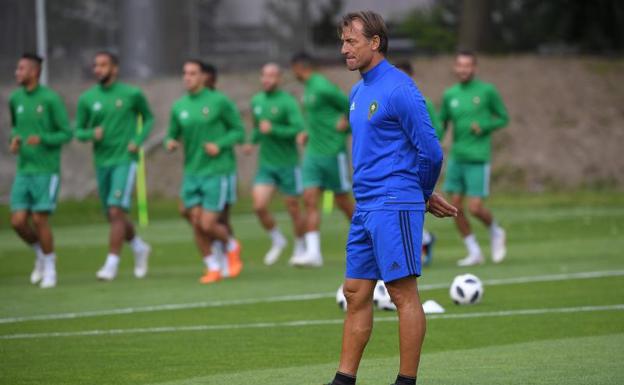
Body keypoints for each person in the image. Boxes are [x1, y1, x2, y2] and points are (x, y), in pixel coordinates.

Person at [327, 11, 457, 385]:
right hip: (365, 205)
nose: (344, 49)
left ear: (375, 42)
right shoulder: (358, 90)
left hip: (394, 201)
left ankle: (406, 381)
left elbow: (430, 152)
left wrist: (420, 193)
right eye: (342, 42)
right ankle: (344, 379)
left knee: (401, 292)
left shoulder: (400, 89)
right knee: (355, 292)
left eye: (351, 41)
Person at [75, 51, 153, 281]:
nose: (98, 69)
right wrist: (91, 133)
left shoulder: (131, 94)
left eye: (103, 65)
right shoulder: (87, 99)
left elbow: (149, 118)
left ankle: (111, 263)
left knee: (116, 210)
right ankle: (139, 246)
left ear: (115, 68)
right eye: (96, 65)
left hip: (124, 160)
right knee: (113, 215)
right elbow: (78, 131)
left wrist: (137, 141)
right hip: (102, 162)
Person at [164, 59, 244, 284]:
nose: (187, 77)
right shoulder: (179, 106)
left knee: (207, 223)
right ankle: (212, 266)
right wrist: (170, 143)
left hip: (216, 171)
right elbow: (171, 134)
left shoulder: (219, 102)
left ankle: (231, 245)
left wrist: (219, 144)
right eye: (185, 73)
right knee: (190, 216)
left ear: (203, 77)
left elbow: (238, 131)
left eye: (192, 73)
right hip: (192, 172)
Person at [439, 51, 509, 266]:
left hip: (478, 157)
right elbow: (442, 124)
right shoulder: (450, 95)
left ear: (474, 68)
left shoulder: (487, 91)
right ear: (455, 67)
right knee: (455, 208)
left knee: (475, 208)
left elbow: (503, 118)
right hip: (457, 157)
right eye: (460, 65)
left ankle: (496, 231)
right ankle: (474, 251)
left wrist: (485, 126)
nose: (463, 69)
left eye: (467, 65)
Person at [8, 53, 72, 289]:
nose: (17, 73)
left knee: (39, 218)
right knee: (17, 222)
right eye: (17, 68)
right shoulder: (15, 99)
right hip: (24, 170)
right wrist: (13, 140)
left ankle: (51, 269)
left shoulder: (51, 99)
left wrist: (43, 138)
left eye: (21, 68)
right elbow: (16, 127)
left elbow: (66, 132)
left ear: (34, 72)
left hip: (46, 170)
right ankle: (41, 253)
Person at [290, 52, 354, 267]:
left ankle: (371, 241)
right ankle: (313, 253)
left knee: (343, 202)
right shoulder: (307, 90)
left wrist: (346, 121)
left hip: (332, 151)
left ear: (300, 67)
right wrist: (306, 131)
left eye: (293, 69)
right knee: (309, 198)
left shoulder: (322, 86)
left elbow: (350, 105)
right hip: (313, 153)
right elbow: (315, 117)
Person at [243, 63, 306, 265]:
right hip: (267, 165)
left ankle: (300, 245)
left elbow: (298, 129)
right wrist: (251, 142)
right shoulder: (257, 101)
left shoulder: (288, 102)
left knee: (293, 208)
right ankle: (278, 240)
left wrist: (275, 129)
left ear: (279, 79)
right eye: (264, 76)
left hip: (288, 164)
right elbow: (258, 128)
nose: (267, 79)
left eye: (272, 76)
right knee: (259, 206)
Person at [395, 60, 440, 266]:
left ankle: (418, 245)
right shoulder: (390, 101)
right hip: (396, 166)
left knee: (411, 207)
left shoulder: (422, 102)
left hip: (415, 165)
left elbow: (433, 134)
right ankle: (424, 239)